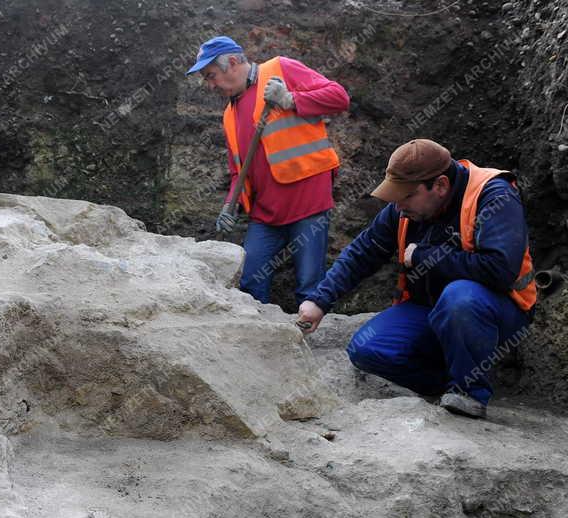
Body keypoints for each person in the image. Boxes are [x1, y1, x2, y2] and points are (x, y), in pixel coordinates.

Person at [296, 139, 537, 419]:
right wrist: (320, 300)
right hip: (430, 308)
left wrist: (425, 256)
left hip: (496, 309)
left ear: (441, 186)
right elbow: (365, 250)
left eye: (406, 197)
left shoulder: (494, 195)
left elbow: (499, 269)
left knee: (459, 298)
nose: (398, 206)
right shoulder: (405, 207)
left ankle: (469, 392)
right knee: (367, 350)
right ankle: (447, 379)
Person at [187, 36, 349, 305]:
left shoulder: (280, 69)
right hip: (266, 211)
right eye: (207, 79)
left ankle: (307, 341)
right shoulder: (229, 114)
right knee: (250, 282)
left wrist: (290, 99)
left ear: (234, 62)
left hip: (307, 199)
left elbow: (339, 97)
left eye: (211, 75)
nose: (211, 85)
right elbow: (239, 172)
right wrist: (230, 205)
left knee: (309, 286)